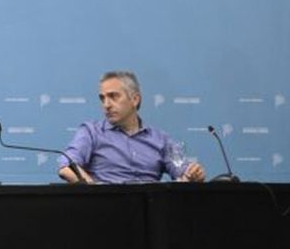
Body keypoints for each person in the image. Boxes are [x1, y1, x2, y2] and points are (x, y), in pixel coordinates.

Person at [58, 70, 206, 184]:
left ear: (135, 99)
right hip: (105, 209)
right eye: (102, 98)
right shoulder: (91, 132)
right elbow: (67, 167)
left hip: (150, 210)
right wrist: (97, 191)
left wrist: (193, 174)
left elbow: (182, 173)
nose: (106, 105)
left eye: (113, 96)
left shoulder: (161, 139)